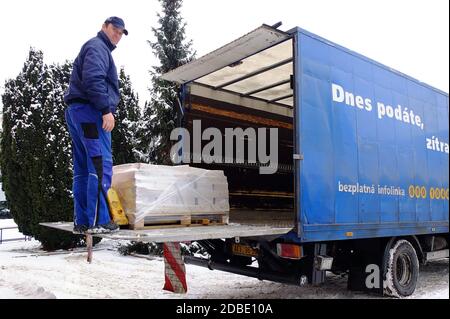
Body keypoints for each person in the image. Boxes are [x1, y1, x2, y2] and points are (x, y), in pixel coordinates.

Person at [64, 17, 128, 234]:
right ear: (104, 27)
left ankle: (82, 222)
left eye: (121, 33)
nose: (117, 35)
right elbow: (94, 79)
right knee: (100, 166)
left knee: (82, 168)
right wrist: (105, 110)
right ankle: (99, 221)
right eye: (115, 30)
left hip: (77, 112)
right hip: (91, 112)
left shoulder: (95, 47)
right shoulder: (98, 47)